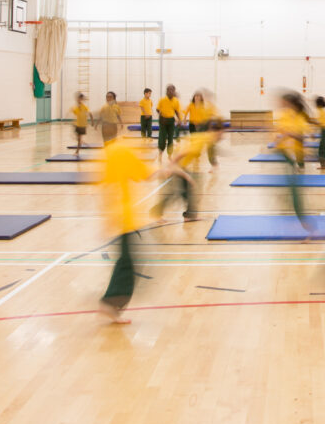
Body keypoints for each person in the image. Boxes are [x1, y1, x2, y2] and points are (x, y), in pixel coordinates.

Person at [99, 139, 152, 324]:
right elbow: (144, 175)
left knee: (126, 260)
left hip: (117, 213)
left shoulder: (108, 154)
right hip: (125, 215)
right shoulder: (123, 151)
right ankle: (110, 303)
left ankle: (111, 304)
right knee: (127, 262)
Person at [152, 121, 224, 223]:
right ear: (213, 132)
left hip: (182, 166)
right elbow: (182, 153)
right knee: (175, 192)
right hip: (177, 165)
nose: (221, 137)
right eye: (220, 134)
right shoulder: (201, 140)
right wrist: (171, 166)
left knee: (189, 190)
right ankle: (156, 213)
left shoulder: (205, 138)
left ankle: (190, 215)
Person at [273, 92, 313, 235]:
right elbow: (281, 132)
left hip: (292, 156)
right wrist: (280, 138)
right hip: (285, 155)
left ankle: (307, 226)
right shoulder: (286, 115)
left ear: (292, 104)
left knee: (295, 194)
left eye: (285, 102)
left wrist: (289, 134)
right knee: (290, 193)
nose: (282, 105)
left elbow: (301, 136)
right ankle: (300, 223)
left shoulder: (299, 118)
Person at [186, 90, 219, 167]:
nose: (197, 98)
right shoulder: (192, 105)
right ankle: (195, 155)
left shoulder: (208, 106)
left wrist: (209, 128)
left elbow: (210, 118)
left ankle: (213, 163)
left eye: (199, 96)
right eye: (196, 96)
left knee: (207, 145)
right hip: (195, 125)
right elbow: (187, 112)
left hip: (203, 126)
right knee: (195, 141)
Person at [156, 84, 181, 159]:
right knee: (162, 138)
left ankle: (169, 155)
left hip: (171, 121)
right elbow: (157, 109)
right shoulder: (162, 100)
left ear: (174, 92)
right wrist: (160, 115)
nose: (170, 92)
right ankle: (160, 153)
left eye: (172, 90)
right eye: (168, 90)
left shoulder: (176, 101)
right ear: (166, 91)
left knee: (170, 138)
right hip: (163, 120)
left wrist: (179, 120)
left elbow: (176, 111)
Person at [70, 92, 90, 156]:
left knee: (78, 139)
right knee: (76, 137)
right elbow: (76, 114)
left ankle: (77, 152)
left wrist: (90, 122)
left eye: (80, 99)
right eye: (78, 99)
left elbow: (88, 114)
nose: (78, 100)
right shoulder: (76, 107)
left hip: (82, 125)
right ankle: (81, 141)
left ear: (81, 99)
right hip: (77, 124)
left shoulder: (84, 107)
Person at [314, 96, 325, 170]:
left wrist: (313, 123)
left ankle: (324, 165)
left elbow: (321, 123)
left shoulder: (322, 111)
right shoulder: (324, 110)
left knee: (322, 149)